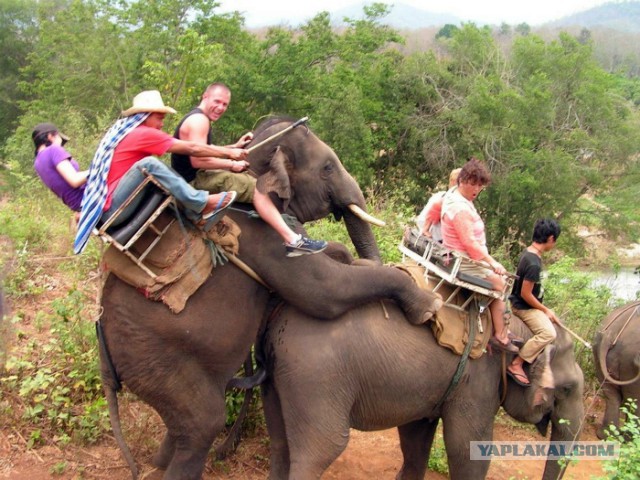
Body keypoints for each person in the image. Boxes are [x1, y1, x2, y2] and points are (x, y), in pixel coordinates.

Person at [73, 90, 248, 254]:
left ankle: (194, 214)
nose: (161, 124)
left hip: (113, 208)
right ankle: (202, 202)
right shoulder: (143, 134)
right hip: (114, 211)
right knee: (149, 165)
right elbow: (192, 148)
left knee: (163, 174)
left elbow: (198, 147)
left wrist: (232, 148)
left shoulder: (131, 133)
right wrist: (230, 155)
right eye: (159, 118)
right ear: (144, 116)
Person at [172, 82, 327, 257]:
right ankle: (292, 240)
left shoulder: (197, 118)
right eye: (217, 101)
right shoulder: (199, 121)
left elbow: (205, 149)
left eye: (225, 104)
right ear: (205, 96)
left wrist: (234, 147)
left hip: (196, 176)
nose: (220, 107)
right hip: (194, 181)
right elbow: (198, 161)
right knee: (258, 188)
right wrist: (231, 164)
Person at [440, 157, 518, 353]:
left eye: (480, 185)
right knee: (501, 283)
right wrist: (493, 263)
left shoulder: (453, 196)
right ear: (462, 180)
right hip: (464, 261)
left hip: (460, 255)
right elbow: (470, 244)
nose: (476, 189)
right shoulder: (459, 207)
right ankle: (500, 334)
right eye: (473, 184)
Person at [507, 219, 562, 386]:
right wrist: (545, 310)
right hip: (524, 308)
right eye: (555, 240)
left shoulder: (530, 253)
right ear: (551, 238)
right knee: (549, 333)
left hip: (529, 306)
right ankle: (517, 363)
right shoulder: (533, 263)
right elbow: (525, 293)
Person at [33, 123, 88, 215]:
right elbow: (75, 180)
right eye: (60, 140)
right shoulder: (53, 150)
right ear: (50, 136)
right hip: (87, 198)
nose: (61, 146)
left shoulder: (37, 163)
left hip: (77, 206)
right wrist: (98, 168)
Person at [416, 167, 461, 242]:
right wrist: (426, 229)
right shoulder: (449, 197)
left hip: (428, 230)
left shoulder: (443, 195)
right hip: (433, 235)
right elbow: (436, 207)